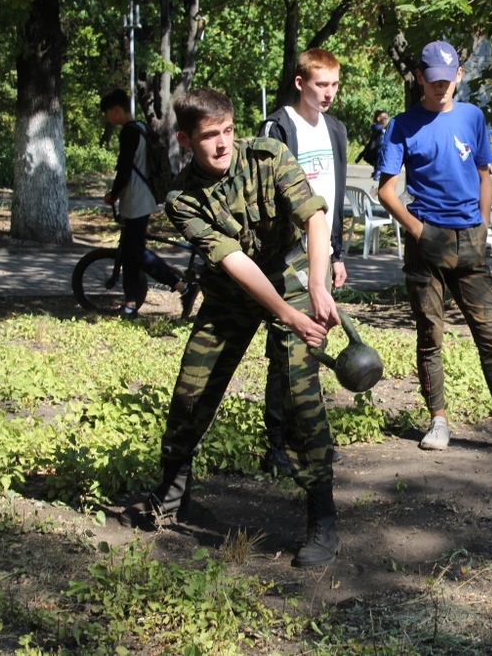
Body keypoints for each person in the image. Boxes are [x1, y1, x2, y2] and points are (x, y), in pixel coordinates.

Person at [118, 88, 344, 569]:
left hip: (291, 274)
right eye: (208, 136)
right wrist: (287, 315)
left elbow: (315, 218)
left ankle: (322, 519)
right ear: (184, 139)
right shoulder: (182, 199)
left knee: (301, 397)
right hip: (232, 292)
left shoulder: (269, 154)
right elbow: (236, 261)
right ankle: (171, 493)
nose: (222, 144)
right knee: (190, 392)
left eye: (227, 131)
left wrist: (319, 287)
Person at [375, 40, 492, 457]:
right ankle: (438, 421)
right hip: (427, 243)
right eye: (433, 80)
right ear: (421, 77)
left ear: (459, 75)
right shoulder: (401, 125)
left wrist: (483, 220)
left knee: (491, 334)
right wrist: (419, 232)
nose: (441, 88)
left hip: (470, 239)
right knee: (430, 336)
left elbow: (484, 173)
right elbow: (386, 191)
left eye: (448, 79)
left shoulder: (473, 117)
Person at [258, 48, 348, 475]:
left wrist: (336, 253)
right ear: (300, 83)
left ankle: (304, 436)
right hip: (284, 258)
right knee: (286, 347)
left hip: (320, 257)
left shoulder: (335, 130)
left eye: (333, 84)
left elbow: (336, 194)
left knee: (310, 346)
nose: (328, 93)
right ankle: (276, 443)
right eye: (320, 85)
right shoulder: (277, 128)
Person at [100, 88, 195, 316]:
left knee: (136, 251)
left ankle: (183, 287)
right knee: (131, 253)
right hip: (143, 196)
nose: (106, 118)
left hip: (135, 198)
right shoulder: (142, 127)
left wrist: (113, 193)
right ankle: (131, 304)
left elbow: (124, 168)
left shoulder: (128, 133)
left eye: (106, 113)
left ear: (116, 110)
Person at [356, 109, 389, 184]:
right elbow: (379, 145)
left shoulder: (378, 129)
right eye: (384, 118)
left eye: (387, 118)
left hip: (377, 155)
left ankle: (376, 174)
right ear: (378, 118)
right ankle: (377, 175)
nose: (386, 120)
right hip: (379, 154)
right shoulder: (379, 130)